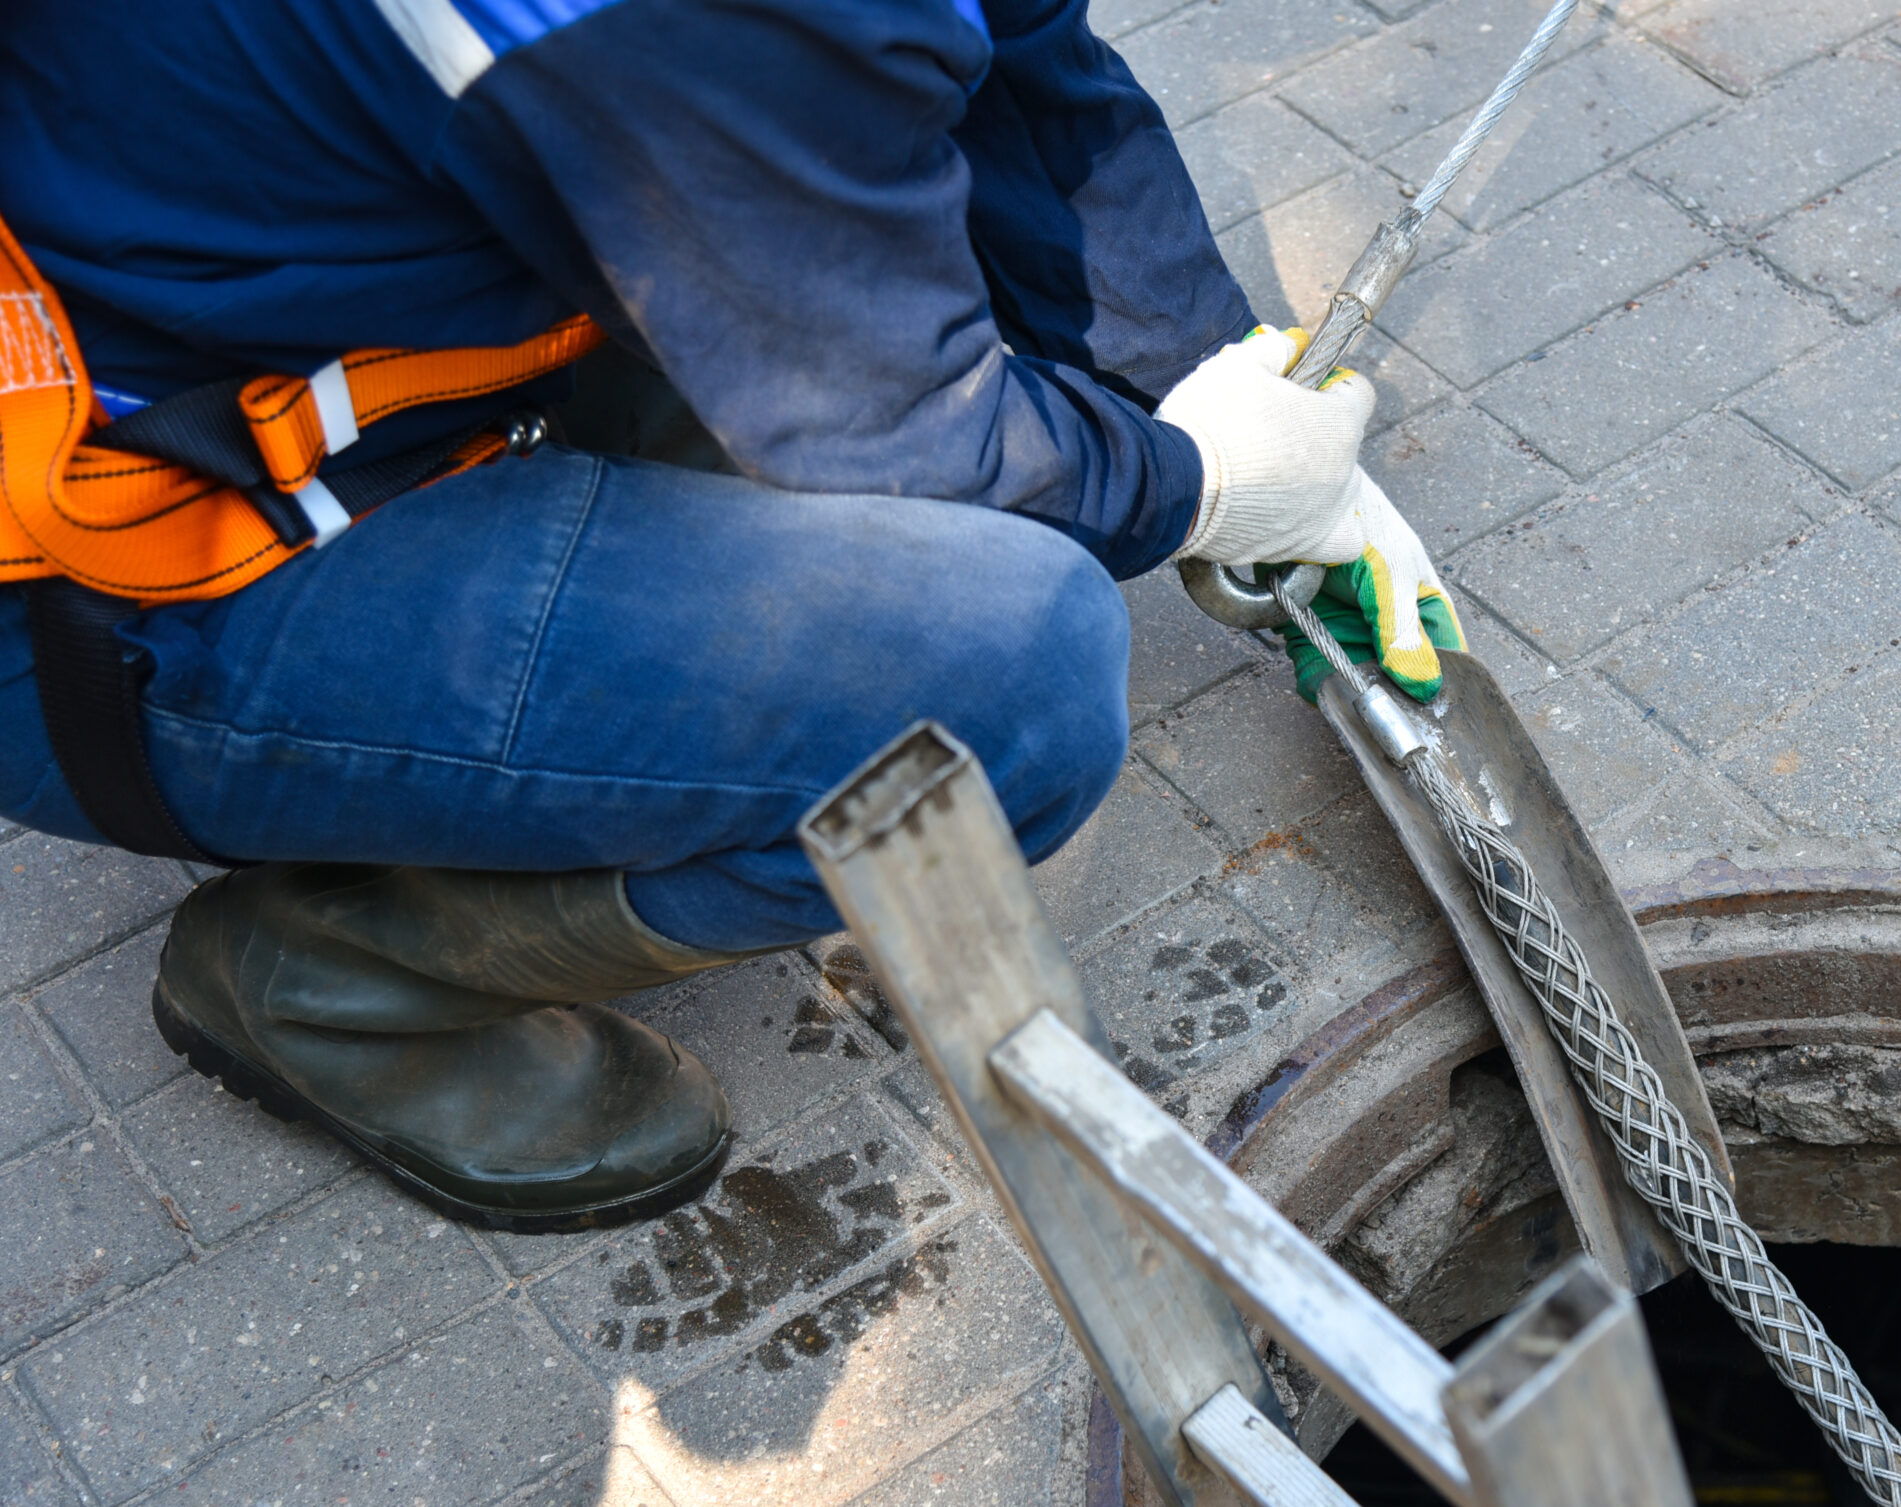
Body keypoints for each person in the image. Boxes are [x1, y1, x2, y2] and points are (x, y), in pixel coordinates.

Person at [0, 0, 1464, 1230]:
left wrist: (1204, 371)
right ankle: (329, 976)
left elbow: (1025, 68)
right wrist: (1194, 488)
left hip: (308, 305)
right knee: (1008, 682)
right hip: (116, 585)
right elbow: (898, 420)